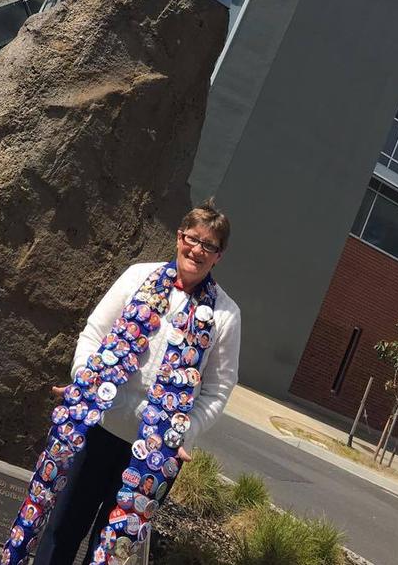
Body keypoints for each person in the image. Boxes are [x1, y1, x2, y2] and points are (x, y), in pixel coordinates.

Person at [23, 200, 241, 565]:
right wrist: (84, 383)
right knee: (62, 532)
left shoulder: (225, 315)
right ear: (179, 236)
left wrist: (186, 432)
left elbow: (219, 390)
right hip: (99, 427)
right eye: (193, 238)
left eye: (209, 246)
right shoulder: (139, 276)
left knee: (111, 553)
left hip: (154, 453)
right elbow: (94, 333)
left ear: (219, 256)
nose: (197, 250)